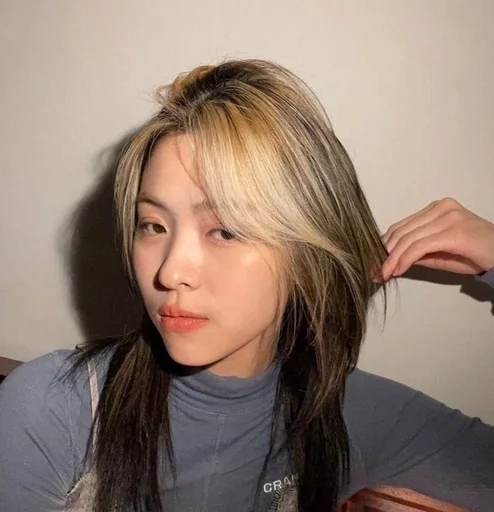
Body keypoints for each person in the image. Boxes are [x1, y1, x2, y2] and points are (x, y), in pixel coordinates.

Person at [0, 59, 493, 512]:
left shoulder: (351, 415)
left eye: (225, 231)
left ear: (306, 254)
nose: (170, 273)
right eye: (153, 225)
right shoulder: (53, 410)